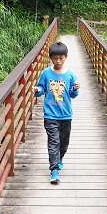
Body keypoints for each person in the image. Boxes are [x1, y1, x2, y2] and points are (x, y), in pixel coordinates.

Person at [33, 41, 81, 184]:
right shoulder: (46, 73)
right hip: (50, 114)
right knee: (53, 141)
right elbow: (41, 89)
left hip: (66, 114)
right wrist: (37, 90)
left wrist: (75, 89)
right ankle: (54, 170)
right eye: (55, 58)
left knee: (64, 142)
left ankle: (59, 158)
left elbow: (72, 95)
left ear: (66, 57)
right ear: (51, 58)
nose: (58, 61)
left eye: (61, 58)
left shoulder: (71, 75)